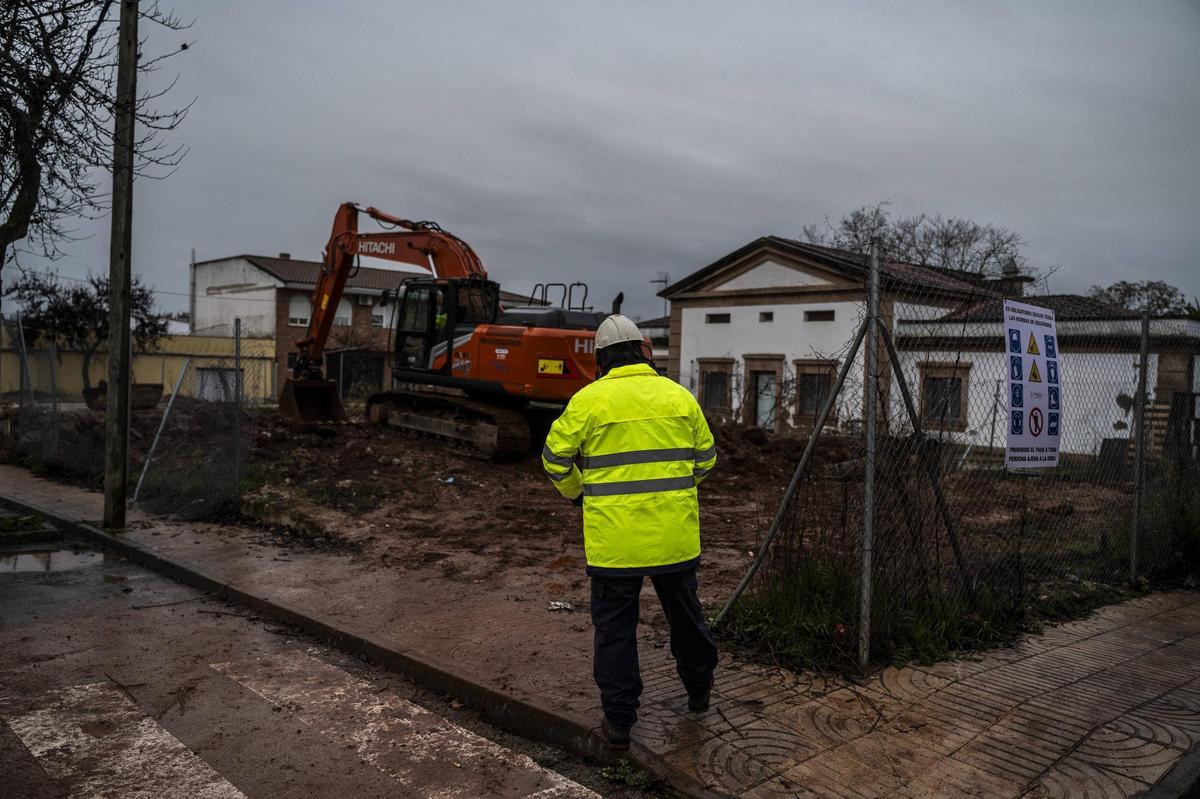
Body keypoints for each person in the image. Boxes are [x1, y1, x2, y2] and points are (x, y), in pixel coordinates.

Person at [541, 314, 719, 750]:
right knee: (686, 618)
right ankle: (698, 693)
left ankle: (620, 722)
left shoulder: (588, 401)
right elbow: (707, 460)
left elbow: (553, 460)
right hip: (673, 537)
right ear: (644, 351)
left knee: (616, 629)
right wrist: (674, 492)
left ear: (600, 359)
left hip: (614, 546)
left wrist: (580, 495)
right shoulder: (680, 397)